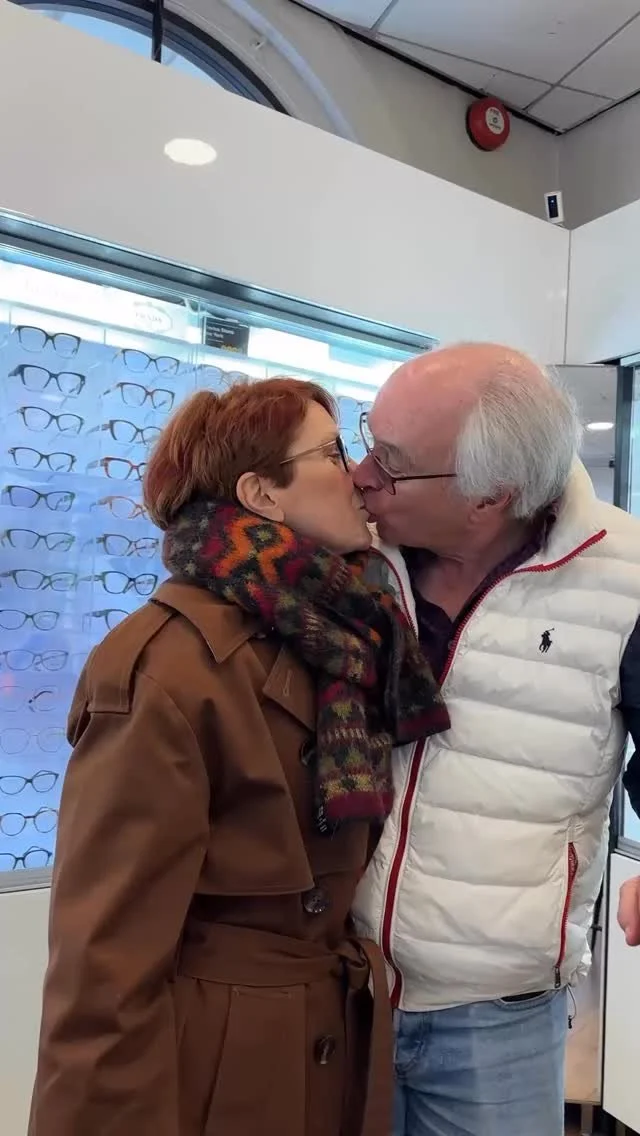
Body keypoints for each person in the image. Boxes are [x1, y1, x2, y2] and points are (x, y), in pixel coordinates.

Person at [28, 376, 450, 1136]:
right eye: (333, 453)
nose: (359, 475)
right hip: (223, 1071)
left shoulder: (344, 633)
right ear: (261, 494)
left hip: (327, 1040)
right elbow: (104, 965)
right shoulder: (164, 668)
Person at [351, 343, 640, 1136]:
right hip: (343, 981)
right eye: (367, 438)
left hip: (498, 1015)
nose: (361, 475)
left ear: (489, 498)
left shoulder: (628, 580)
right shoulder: (350, 558)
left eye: (391, 463)